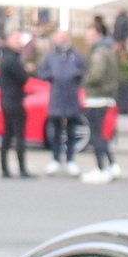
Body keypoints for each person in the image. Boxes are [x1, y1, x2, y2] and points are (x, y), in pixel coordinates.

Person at [38, 29, 88, 176]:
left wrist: (77, 75)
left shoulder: (77, 56)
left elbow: (85, 71)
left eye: (64, 37)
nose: (62, 40)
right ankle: (55, 159)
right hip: (56, 97)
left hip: (71, 96)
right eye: (59, 38)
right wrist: (51, 76)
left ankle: (71, 160)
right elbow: (41, 73)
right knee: (55, 131)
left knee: (71, 130)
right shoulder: (50, 56)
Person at [81, 25, 122, 182]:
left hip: (97, 99)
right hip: (106, 99)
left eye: (90, 36)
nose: (87, 39)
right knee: (103, 135)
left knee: (96, 135)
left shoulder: (98, 53)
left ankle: (101, 169)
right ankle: (112, 165)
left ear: (98, 35)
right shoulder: (109, 51)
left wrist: (84, 80)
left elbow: (96, 75)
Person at [0, 29, 32, 179]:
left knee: (8, 135)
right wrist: (26, 69)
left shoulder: (5, 57)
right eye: (15, 40)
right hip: (14, 100)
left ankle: (5, 168)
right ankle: (22, 169)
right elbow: (23, 77)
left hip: (7, 100)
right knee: (18, 136)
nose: (19, 43)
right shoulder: (11, 59)